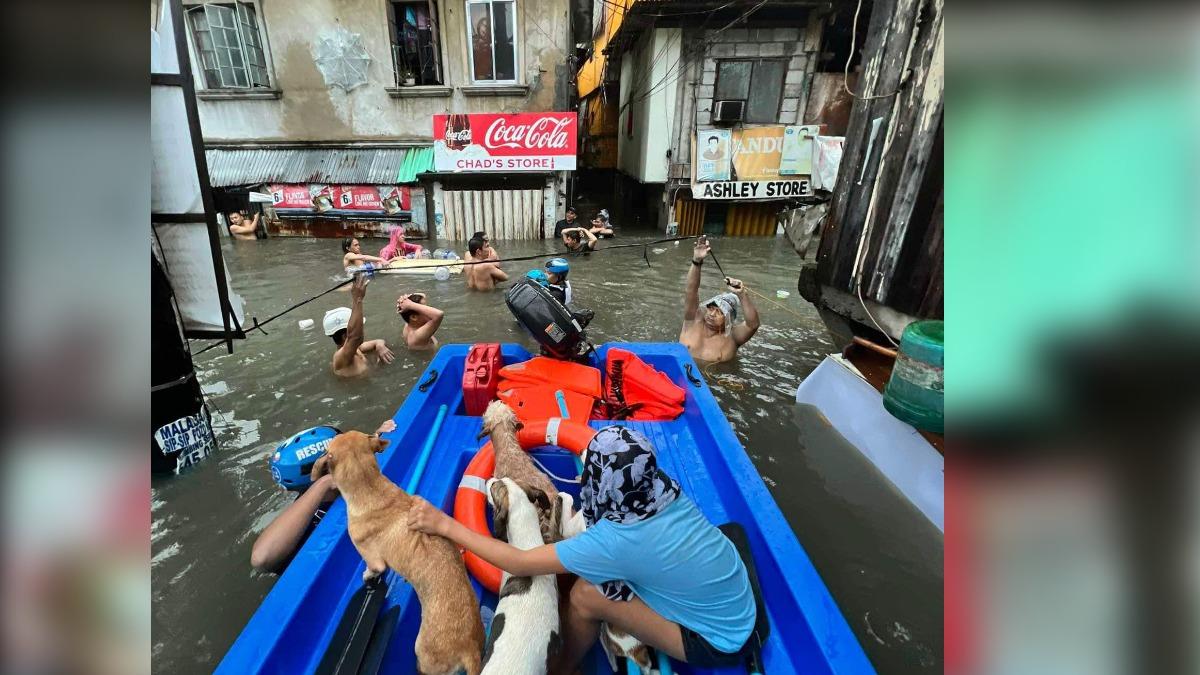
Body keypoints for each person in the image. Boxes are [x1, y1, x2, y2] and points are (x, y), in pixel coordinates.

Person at [408, 426, 757, 670]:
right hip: (733, 592)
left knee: (586, 595)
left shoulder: (613, 543)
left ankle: (562, 667)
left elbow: (520, 561)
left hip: (718, 640)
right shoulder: (661, 487)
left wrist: (444, 525)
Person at [251, 419, 396, 574]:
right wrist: (324, 484)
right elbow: (261, 558)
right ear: (325, 468)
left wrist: (374, 438)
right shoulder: (307, 514)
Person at [680, 236, 760, 363]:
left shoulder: (733, 336)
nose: (712, 314)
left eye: (719, 312)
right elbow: (691, 291)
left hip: (714, 381)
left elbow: (753, 325)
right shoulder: (693, 320)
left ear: (729, 319)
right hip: (681, 378)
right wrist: (697, 261)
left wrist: (742, 294)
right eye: (711, 308)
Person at [324, 275, 395, 377]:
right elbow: (356, 337)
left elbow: (377, 341)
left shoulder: (357, 349)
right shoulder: (341, 357)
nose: (361, 329)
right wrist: (358, 299)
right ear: (345, 336)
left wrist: (380, 346)